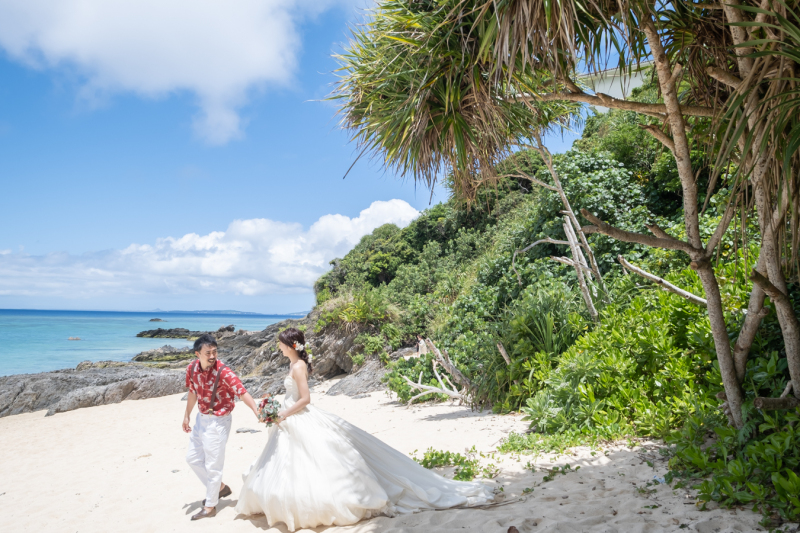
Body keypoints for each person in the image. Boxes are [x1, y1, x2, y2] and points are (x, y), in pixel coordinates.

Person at [235, 328, 494, 531]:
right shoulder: (292, 365)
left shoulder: (299, 366)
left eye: (280, 343)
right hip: (289, 418)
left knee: (314, 459)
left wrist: (281, 412)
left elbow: (305, 399)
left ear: (291, 345)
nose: (277, 347)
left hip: (297, 415)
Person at [182, 333, 259, 521]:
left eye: (214, 352)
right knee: (192, 458)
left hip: (218, 421)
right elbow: (192, 392)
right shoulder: (192, 369)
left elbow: (242, 392)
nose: (212, 356)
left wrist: (257, 411)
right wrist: (187, 415)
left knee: (213, 465)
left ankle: (210, 507)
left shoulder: (223, 371)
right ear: (197, 354)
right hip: (201, 419)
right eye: (207, 352)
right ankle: (221, 488)